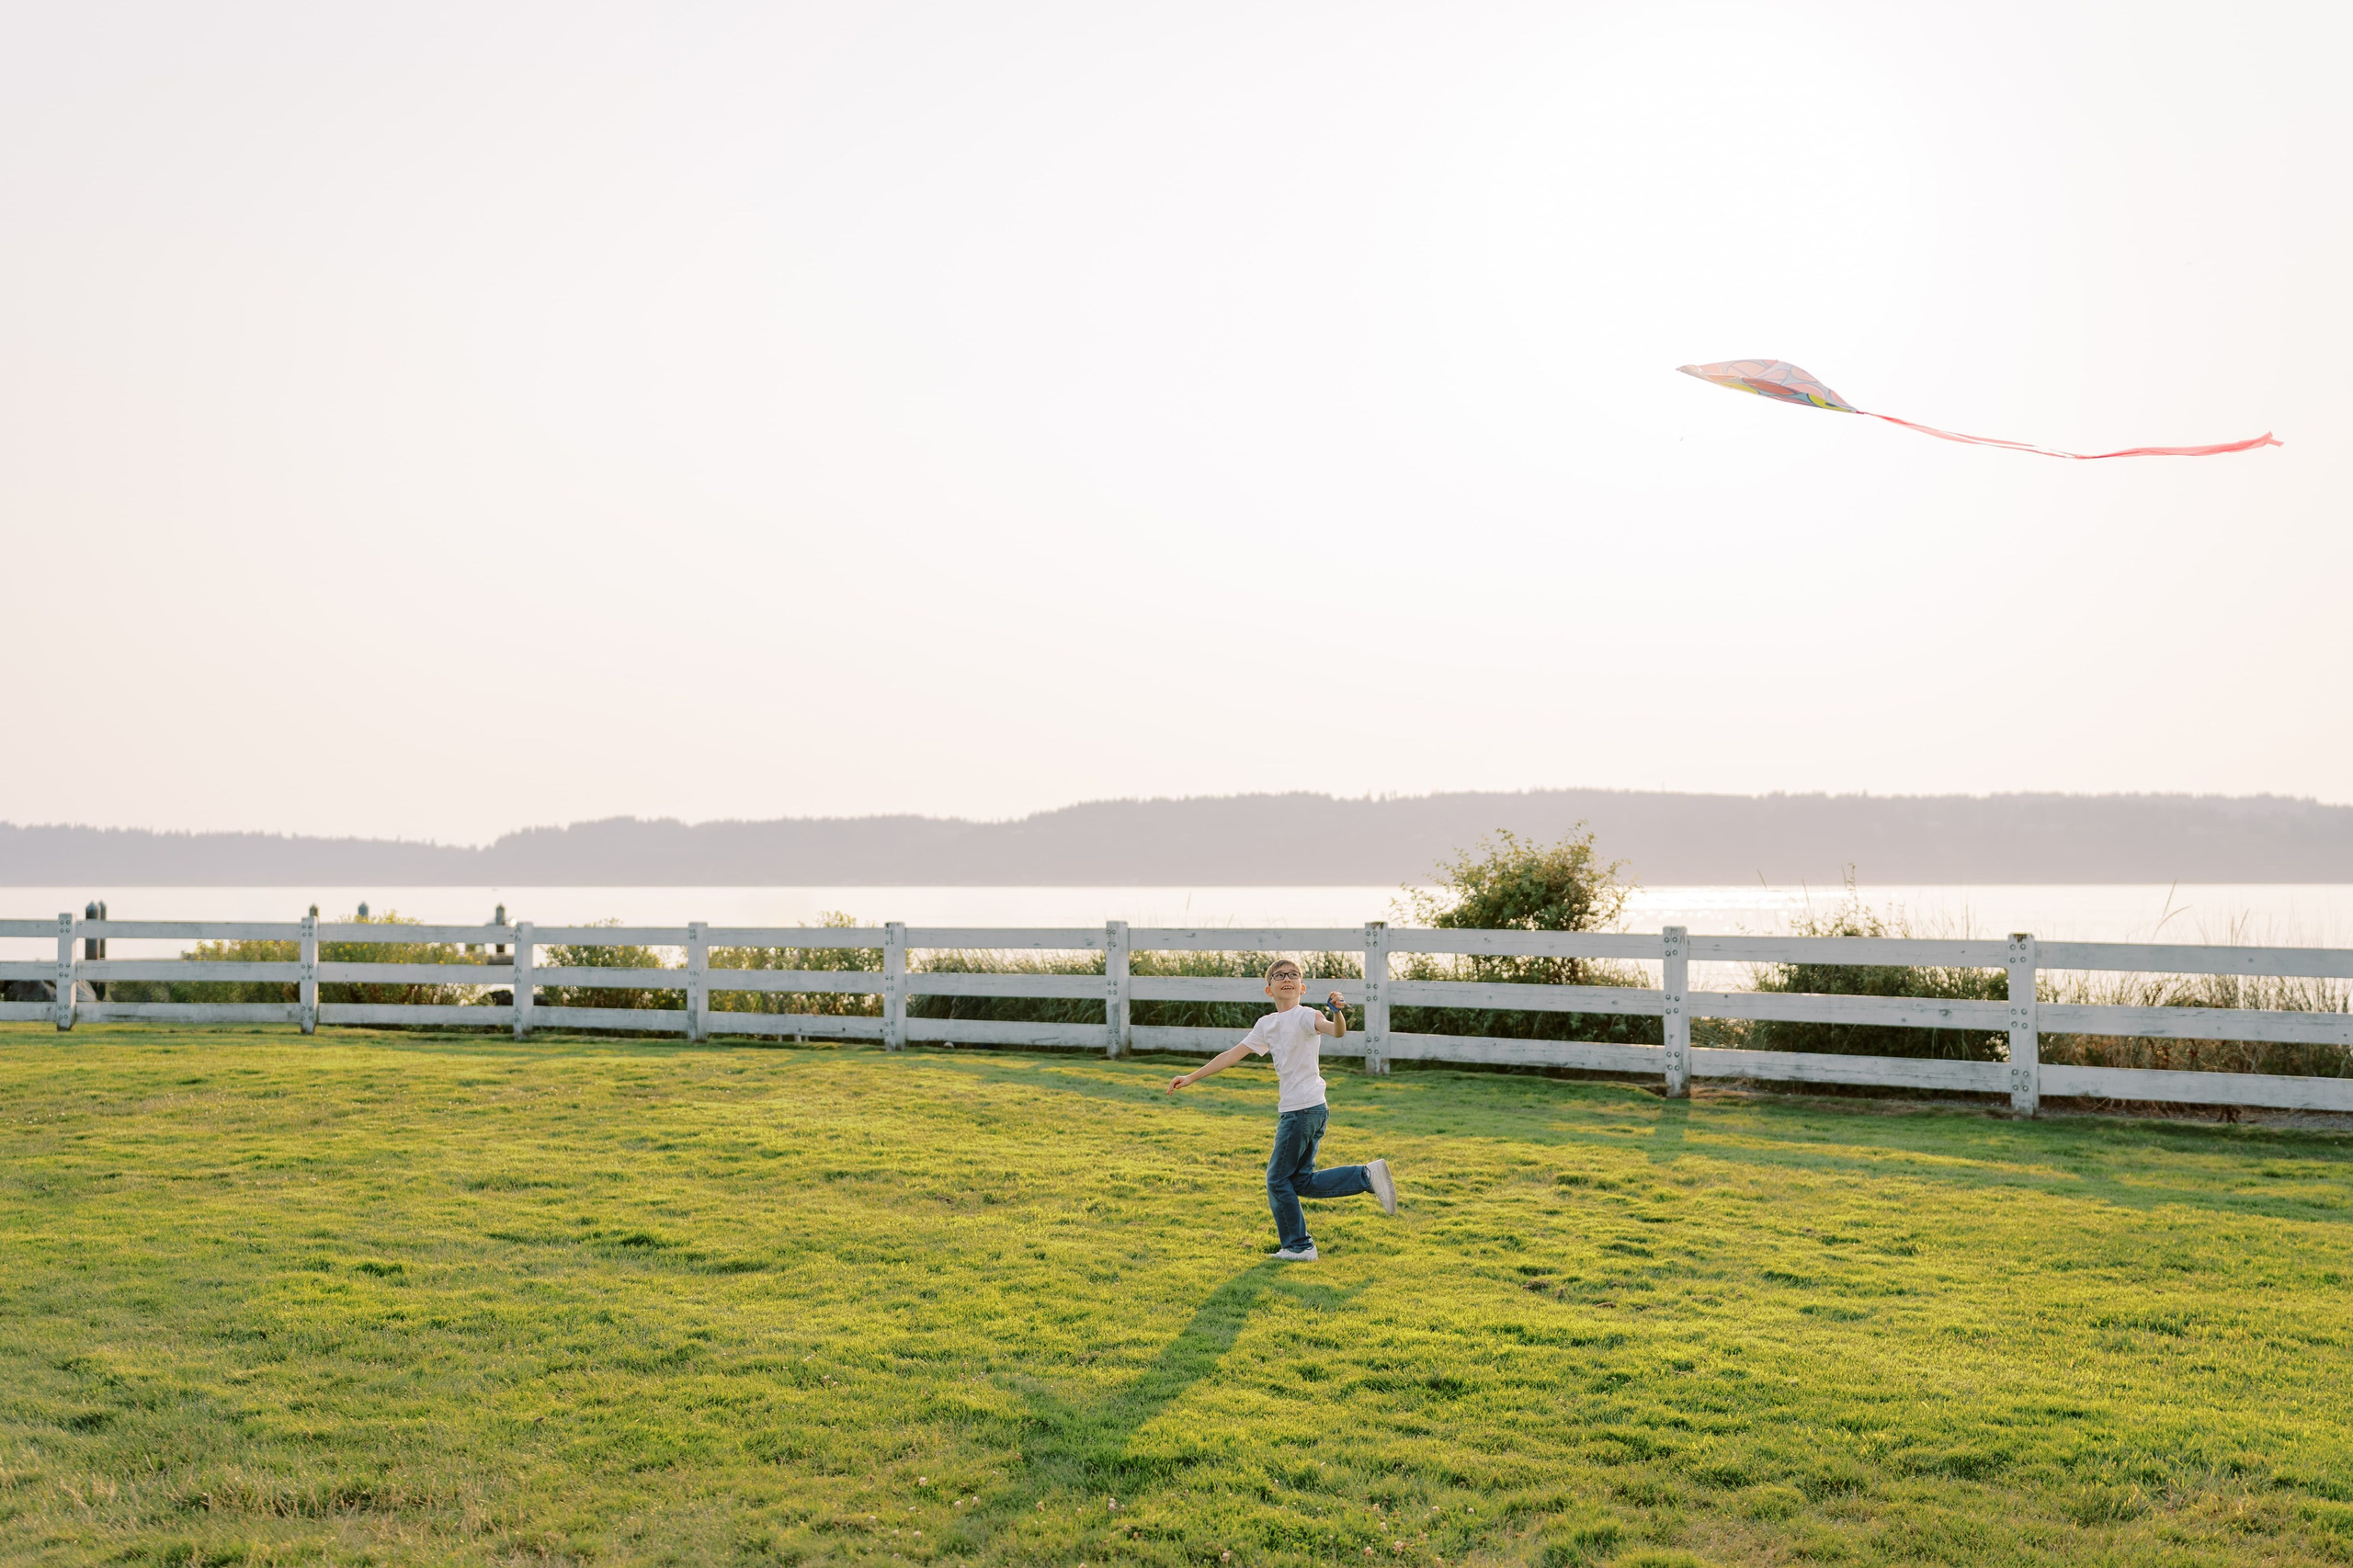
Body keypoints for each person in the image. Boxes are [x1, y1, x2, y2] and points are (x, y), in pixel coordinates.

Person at [1166, 958, 1398, 1261]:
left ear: (1302, 987)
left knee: (1277, 1180)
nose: (1286, 978)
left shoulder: (1307, 1016)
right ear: (1269, 989)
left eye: (1293, 975)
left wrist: (1337, 1012)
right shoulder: (1267, 1024)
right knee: (1299, 1181)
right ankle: (1366, 1176)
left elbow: (1336, 1031)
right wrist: (1191, 1077)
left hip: (1303, 1110)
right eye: (1279, 976)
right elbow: (1232, 1055)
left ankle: (1299, 1246)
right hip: (1309, 1109)